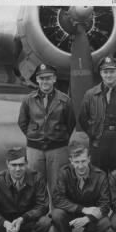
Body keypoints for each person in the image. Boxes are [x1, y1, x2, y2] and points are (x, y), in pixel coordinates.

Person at [18, 63, 76, 197]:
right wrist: (33, 136)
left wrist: (60, 138)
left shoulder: (65, 100)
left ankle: (56, 215)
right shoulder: (28, 100)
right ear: (37, 80)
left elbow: (70, 122)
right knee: (35, 184)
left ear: (54, 79)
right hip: (35, 149)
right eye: (42, 78)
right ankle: (38, 216)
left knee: (57, 185)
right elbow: (22, 121)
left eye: (48, 78)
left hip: (57, 149)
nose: (45, 82)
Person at [79, 56, 116, 173]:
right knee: (97, 176)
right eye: (105, 72)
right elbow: (83, 118)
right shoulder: (90, 95)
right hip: (98, 141)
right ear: (101, 73)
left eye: (112, 72)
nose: (109, 75)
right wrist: (93, 133)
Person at [51, 143, 111, 232]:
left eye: (83, 161)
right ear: (71, 161)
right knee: (57, 214)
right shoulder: (64, 173)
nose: (80, 166)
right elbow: (57, 199)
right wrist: (82, 209)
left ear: (89, 159)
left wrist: (88, 218)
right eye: (76, 162)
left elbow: (105, 204)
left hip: (91, 214)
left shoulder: (100, 175)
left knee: (105, 222)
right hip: (71, 212)